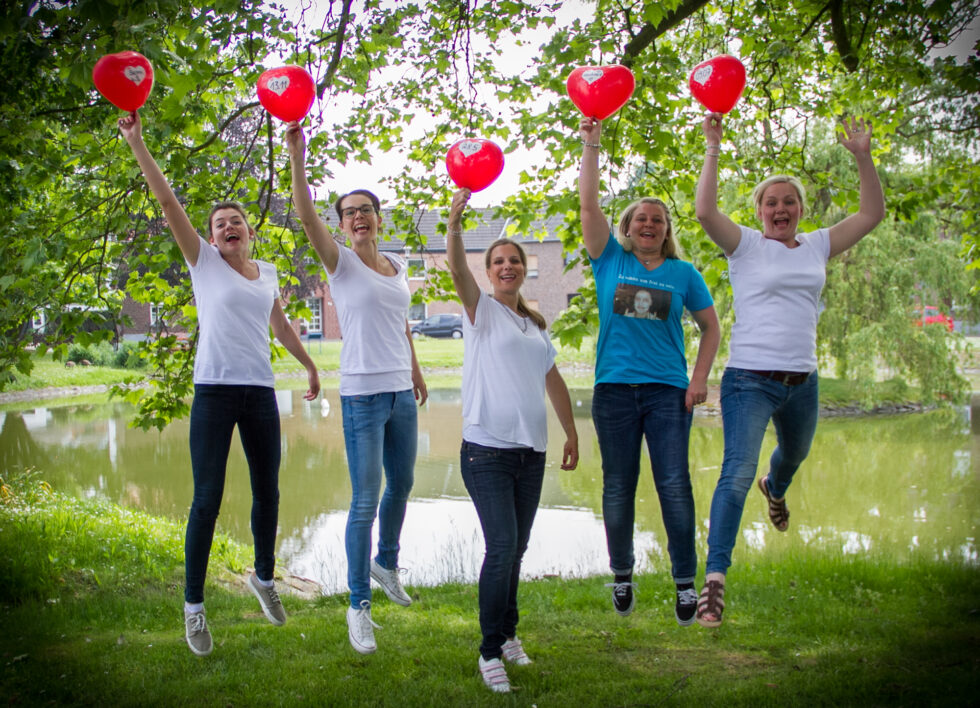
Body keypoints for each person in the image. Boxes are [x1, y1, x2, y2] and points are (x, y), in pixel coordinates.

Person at [118, 111, 321, 657]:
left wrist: (308, 364)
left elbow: (278, 325)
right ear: (211, 237)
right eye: (219, 224)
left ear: (249, 232)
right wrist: (138, 141)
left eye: (236, 222)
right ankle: (194, 607)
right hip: (213, 392)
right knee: (206, 498)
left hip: (259, 392)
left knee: (270, 491)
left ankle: (263, 577)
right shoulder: (203, 264)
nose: (228, 228)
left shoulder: (270, 274)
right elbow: (167, 204)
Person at [694, 113, 885, 627]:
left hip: (803, 380)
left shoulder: (820, 243)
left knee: (794, 454)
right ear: (759, 211)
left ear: (800, 210)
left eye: (789, 201)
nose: (780, 208)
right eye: (770, 202)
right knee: (735, 474)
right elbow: (705, 211)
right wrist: (713, 147)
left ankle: (774, 489)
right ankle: (714, 581)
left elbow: (870, 214)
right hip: (749, 381)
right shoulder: (745, 247)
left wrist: (863, 156)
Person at [285, 121, 427, 655]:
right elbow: (303, 214)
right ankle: (358, 605)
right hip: (363, 396)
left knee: (404, 483)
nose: (358, 218)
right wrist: (298, 156)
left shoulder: (396, 269)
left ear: (377, 218)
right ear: (342, 225)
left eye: (365, 210)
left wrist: (414, 370)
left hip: (398, 392)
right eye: (349, 213)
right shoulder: (340, 265)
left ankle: (386, 562)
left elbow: (401, 325)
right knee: (365, 499)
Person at [578, 116, 721, 626]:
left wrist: (699, 380)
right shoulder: (608, 260)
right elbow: (589, 204)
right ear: (628, 227)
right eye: (641, 218)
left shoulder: (685, 274)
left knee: (674, 485)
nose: (649, 225)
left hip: (667, 394)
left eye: (658, 220)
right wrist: (591, 140)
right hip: (614, 391)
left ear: (666, 230)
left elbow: (711, 329)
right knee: (617, 486)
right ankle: (622, 574)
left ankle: (685, 583)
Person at [446, 188, 579, 693]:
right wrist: (455, 227)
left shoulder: (534, 325)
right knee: (502, 546)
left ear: (524, 269)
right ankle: (488, 651)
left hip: (531, 453)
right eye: (498, 261)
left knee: (516, 550)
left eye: (514, 261)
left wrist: (569, 433)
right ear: (489, 271)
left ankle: (508, 636)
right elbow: (457, 272)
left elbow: (554, 382)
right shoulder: (480, 312)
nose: (507, 267)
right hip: (486, 451)